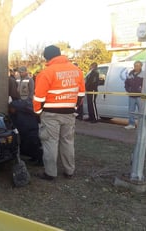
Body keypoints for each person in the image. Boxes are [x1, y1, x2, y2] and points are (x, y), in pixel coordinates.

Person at [33, 45, 85, 180]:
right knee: (67, 141)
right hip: (69, 113)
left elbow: (39, 97)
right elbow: (81, 94)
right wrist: (73, 108)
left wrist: (38, 112)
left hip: (50, 114)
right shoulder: (77, 71)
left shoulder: (46, 73)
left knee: (50, 142)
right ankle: (69, 171)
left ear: (47, 57)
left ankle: (50, 173)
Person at [9, 66, 42, 165]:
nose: (21, 73)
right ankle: (32, 154)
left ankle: (37, 156)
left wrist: (27, 103)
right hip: (20, 104)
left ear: (26, 72)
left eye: (22, 72)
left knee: (31, 135)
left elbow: (31, 93)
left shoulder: (30, 80)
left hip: (27, 105)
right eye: (20, 72)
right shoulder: (17, 79)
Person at [124, 60, 145, 129]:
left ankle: (141, 125)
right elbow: (126, 83)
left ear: (141, 66)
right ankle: (131, 124)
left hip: (140, 96)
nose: (136, 67)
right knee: (131, 111)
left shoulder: (144, 74)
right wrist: (128, 90)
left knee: (141, 112)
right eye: (135, 66)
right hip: (131, 96)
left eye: (138, 66)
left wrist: (142, 90)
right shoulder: (130, 74)